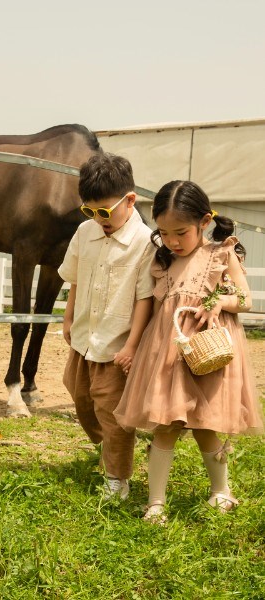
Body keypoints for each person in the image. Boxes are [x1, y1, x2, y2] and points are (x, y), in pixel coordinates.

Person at [114, 180, 263, 522]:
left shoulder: (220, 253)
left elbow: (246, 299)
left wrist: (218, 302)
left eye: (180, 232)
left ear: (205, 222)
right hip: (166, 352)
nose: (172, 241)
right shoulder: (162, 262)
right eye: (164, 233)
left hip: (207, 353)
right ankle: (155, 503)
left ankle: (221, 491)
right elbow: (151, 311)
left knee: (205, 425)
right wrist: (135, 348)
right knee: (164, 425)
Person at [59, 152, 155, 500]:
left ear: (130, 200)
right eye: (90, 210)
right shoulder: (86, 232)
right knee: (79, 394)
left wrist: (131, 345)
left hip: (116, 344)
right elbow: (75, 277)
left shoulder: (145, 242)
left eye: (104, 211)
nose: (98, 219)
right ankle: (110, 446)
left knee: (112, 412)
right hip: (84, 335)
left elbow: (145, 297)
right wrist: (69, 316)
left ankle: (118, 477)